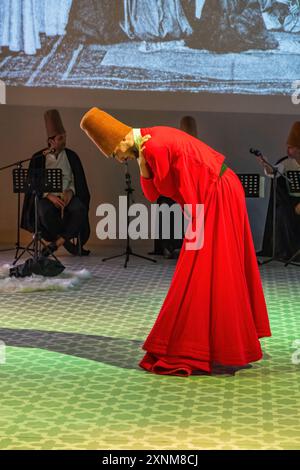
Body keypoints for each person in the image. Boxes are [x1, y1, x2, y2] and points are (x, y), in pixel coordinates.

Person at [80, 107, 271, 377]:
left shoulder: (153, 146)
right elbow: (155, 194)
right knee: (209, 268)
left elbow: (165, 191)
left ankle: (194, 346)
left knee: (200, 270)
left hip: (217, 192)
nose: (118, 159)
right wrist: (143, 166)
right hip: (218, 191)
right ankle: (221, 342)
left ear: (121, 141)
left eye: (114, 153)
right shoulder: (148, 145)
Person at [21, 109, 90, 256]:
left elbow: (76, 180)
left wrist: (71, 191)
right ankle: (64, 242)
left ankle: (56, 244)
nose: (64, 140)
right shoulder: (39, 158)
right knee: (43, 210)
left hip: (67, 196)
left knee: (80, 209)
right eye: (60, 138)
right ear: (51, 141)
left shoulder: (72, 156)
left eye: (65, 137)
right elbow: (33, 185)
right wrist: (48, 195)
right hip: (48, 197)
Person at [257, 121, 300, 261]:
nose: (288, 150)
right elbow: (273, 172)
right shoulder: (287, 163)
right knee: (282, 212)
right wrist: (266, 164)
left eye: (291, 147)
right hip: (291, 202)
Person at [185, 0, 279, 52]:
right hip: (222, 25)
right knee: (216, 38)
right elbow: (211, 11)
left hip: (243, 25)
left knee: (238, 38)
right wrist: (220, 25)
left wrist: (238, 26)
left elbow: (252, 10)